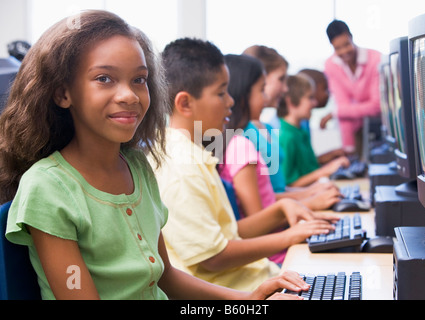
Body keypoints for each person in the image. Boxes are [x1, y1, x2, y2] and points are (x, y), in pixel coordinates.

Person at [0, 10, 308, 300]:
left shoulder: (137, 166)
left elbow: (166, 278)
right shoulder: (48, 188)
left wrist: (247, 299)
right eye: (104, 78)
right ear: (63, 93)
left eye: (139, 79)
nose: (129, 95)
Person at [151, 38, 335, 291]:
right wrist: (289, 235)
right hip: (245, 290)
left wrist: (284, 209)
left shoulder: (193, 154)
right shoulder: (181, 167)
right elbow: (212, 256)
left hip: (257, 279)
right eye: (220, 93)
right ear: (185, 103)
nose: (230, 101)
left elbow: (226, 234)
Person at [217, 54, 340, 264]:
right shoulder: (241, 143)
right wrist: (309, 202)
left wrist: (308, 198)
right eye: (260, 88)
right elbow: (260, 218)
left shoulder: (253, 134)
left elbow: (271, 195)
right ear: (245, 93)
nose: (282, 89)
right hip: (273, 254)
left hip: (277, 242)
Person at [242, 45, 342, 208]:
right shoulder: (242, 135)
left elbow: (275, 191)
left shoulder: (266, 128)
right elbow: (260, 204)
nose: (286, 88)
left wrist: (311, 193)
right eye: (281, 79)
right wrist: (309, 200)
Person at [277, 74, 350, 188]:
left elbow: (305, 168)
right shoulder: (286, 136)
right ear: (291, 102)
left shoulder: (301, 130)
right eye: (310, 98)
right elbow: (288, 185)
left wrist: (329, 158)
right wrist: (325, 171)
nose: (315, 103)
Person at [323, 20, 382, 155]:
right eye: (337, 48)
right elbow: (343, 108)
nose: (344, 51)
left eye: (346, 44)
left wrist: (336, 112)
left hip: (377, 125)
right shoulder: (331, 65)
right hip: (353, 130)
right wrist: (349, 151)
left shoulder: (375, 59)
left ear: (351, 37)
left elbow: (376, 106)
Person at [298, 68, 346, 164]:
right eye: (325, 89)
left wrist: (329, 156)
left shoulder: (304, 121)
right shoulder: (292, 128)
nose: (328, 94)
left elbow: (305, 163)